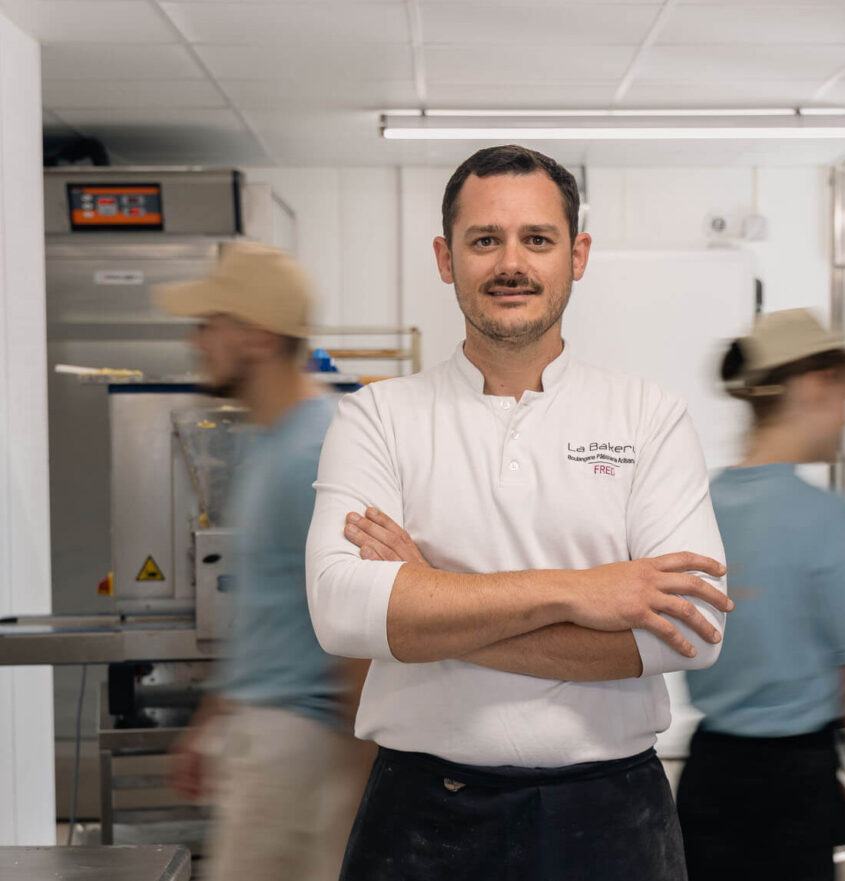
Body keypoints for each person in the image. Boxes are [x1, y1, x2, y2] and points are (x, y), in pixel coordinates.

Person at [305, 145, 732, 881]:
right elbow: (343, 613)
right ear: (446, 258)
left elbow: (692, 632)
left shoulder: (648, 416)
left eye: (537, 239)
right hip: (421, 817)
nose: (512, 262)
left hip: (612, 817)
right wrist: (580, 591)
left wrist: (425, 596)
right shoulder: (377, 417)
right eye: (484, 240)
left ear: (578, 254)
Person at [675, 308, 845, 881]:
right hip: (792, 798)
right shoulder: (825, 517)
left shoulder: (694, 507)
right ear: (813, 386)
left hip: (708, 779)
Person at [157, 242, 373, 881]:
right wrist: (211, 719)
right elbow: (269, 612)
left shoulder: (315, 451)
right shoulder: (273, 443)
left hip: (300, 750)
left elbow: (360, 627)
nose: (197, 342)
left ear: (253, 335)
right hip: (267, 737)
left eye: (209, 323)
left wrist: (361, 777)